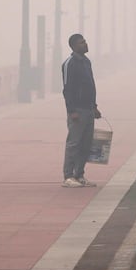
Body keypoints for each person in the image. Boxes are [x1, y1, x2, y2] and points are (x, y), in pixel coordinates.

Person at [60, 32, 100, 188]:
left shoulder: (86, 62)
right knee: (74, 143)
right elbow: (67, 89)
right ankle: (68, 176)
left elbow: (90, 86)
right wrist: (72, 111)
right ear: (74, 46)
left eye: (85, 41)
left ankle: (79, 174)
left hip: (88, 109)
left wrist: (95, 107)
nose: (85, 44)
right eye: (82, 42)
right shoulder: (70, 63)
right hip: (77, 110)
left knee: (86, 144)